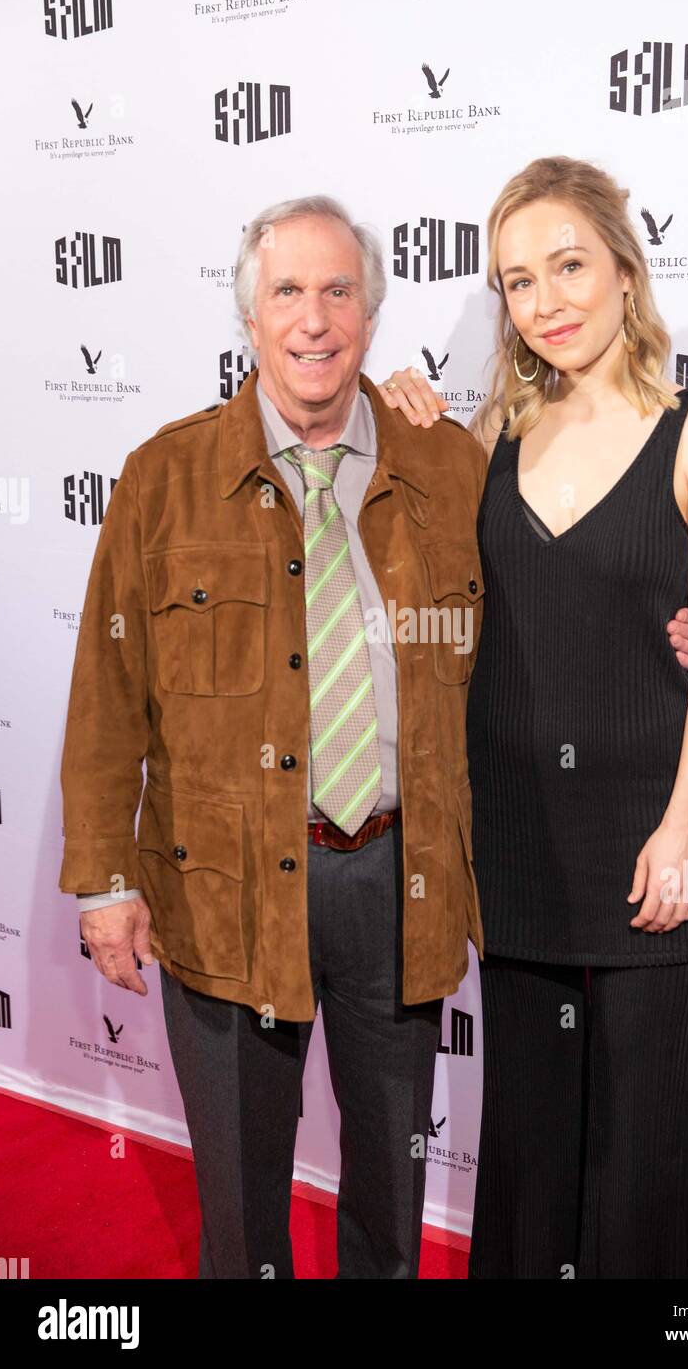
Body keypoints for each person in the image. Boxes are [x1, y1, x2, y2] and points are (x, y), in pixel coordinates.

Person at [57, 195, 491, 1279]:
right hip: (224, 886)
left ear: (371, 317)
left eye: (338, 290)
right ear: (249, 318)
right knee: (243, 1202)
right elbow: (109, 693)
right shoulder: (165, 477)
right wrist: (107, 879)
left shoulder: (444, 471)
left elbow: (522, 645)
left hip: (398, 879)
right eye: (287, 291)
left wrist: (665, 629)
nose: (314, 318)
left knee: (391, 1190)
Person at [378, 154, 688, 1278]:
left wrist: (684, 825)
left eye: (567, 265)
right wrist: (406, 420)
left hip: (650, 832)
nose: (544, 301)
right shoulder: (489, 436)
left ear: (625, 272)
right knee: (528, 1146)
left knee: (644, 1149)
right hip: (515, 838)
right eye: (514, 281)